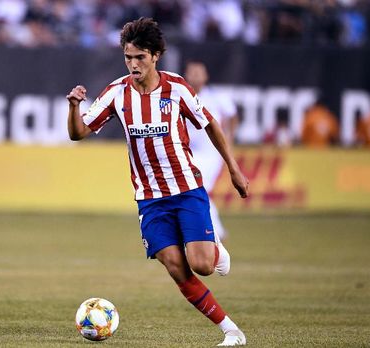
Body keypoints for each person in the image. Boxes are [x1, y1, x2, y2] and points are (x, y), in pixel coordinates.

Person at [66, 18, 248, 346]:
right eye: (127, 57)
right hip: (149, 199)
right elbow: (78, 133)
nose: (132, 64)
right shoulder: (116, 93)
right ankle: (231, 331)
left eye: (139, 57)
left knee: (202, 265)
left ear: (155, 56)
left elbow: (210, 125)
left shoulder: (176, 88)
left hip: (187, 190)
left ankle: (215, 251)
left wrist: (233, 169)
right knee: (177, 268)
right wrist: (74, 106)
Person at [184, 61, 238, 240]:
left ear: (206, 76)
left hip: (210, 152)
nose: (195, 76)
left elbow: (232, 117)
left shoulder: (217, 97)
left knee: (199, 188)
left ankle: (216, 230)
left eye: (199, 73)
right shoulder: (181, 96)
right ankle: (211, 229)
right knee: (195, 189)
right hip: (187, 151)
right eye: (192, 73)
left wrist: (228, 139)